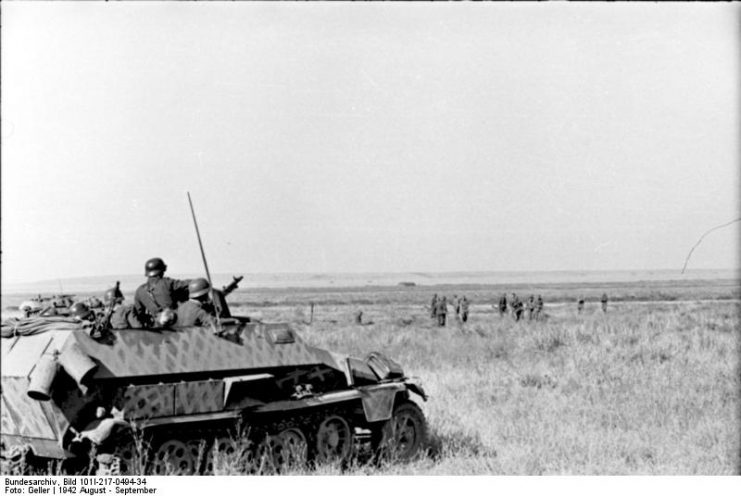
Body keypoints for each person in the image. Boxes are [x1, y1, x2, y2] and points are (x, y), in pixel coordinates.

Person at [133, 257, 191, 327]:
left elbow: (139, 314)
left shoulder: (139, 290)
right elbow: (189, 284)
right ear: (162, 271)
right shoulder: (167, 283)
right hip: (175, 325)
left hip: (156, 328)